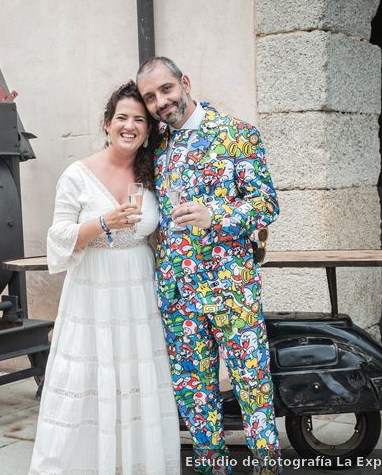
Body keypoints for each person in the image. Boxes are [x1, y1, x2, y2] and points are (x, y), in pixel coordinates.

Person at [136, 57, 281, 475]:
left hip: (230, 291)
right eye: (151, 97)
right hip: (178, 297)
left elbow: (266, 204)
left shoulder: (237, 134)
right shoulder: (156, 146)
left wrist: (214, 214)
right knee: (196, 400)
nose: (161, 102)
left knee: (254, 392)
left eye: (165, 89)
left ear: (184, 82)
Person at [30, 81, 180, 475]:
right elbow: (58, 239)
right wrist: (102, 222)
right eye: (122, 118)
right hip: (92, 293)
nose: (130, 126)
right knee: (88, 380)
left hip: (137, 291)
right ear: (107, 123)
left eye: (139, 120)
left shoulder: (154, 173)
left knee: (135, 377)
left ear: (148, 129)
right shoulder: (77, 175)